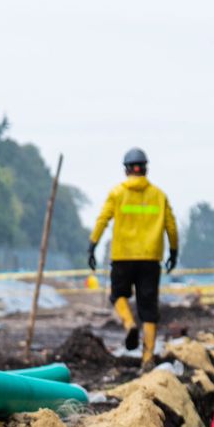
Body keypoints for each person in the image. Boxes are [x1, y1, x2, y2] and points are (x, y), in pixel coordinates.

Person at [88, 147, 179, 369]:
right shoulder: (159, 195)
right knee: (148, 308)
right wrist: (173, 251)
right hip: (150, 259)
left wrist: (92, 245)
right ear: (145, 169)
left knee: (118, 294)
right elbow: (171, 226)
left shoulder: (117, 193)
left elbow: (102, 220)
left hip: (123, 256)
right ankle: (147, 358)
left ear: (126, 169)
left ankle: (129, 324)